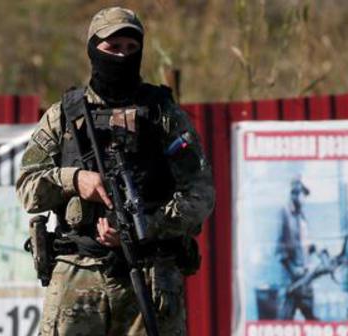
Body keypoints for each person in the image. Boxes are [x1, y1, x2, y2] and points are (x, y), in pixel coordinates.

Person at [16, 7, 215, 335]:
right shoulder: (63, 116)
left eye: (131, 48)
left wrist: (147, 226)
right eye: (113, 47)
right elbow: (27, 186)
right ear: (94, 49)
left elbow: (200, 193)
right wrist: (76, 180)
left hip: (150, 278)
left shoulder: (162, 114)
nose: (122, 55)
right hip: (79, 276)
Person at [275, 176, 317, 320]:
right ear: (294, 193)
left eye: (305, 194)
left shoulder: (302, 217)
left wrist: (314, 250)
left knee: (311, 319)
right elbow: (280, 250)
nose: (304, 198)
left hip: (305, 280)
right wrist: (293, 271)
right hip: (291, 281)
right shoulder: (285, 214)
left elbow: (305, 245)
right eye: (302, 193)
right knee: (285, 322)